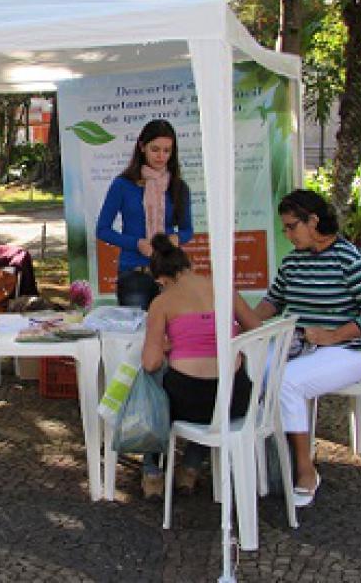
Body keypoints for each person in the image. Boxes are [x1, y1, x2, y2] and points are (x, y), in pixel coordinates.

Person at [254, 190, 361, 507]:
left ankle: (306, 470)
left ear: (313, 221)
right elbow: (273, 301)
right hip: (300, 345)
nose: (288, 235)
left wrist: (334, 335)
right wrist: (241, 322)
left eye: (292, 227)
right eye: (285, 228)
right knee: (253, 370)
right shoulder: (293, 261)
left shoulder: (349, 259)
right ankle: (268, 462)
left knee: (287, 382)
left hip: (347, 351)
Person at [140, 234, 261, 498]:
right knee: (215, 403)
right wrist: (225, 337)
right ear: (190, 265)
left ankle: (152, 471)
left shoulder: (162, 302)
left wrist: (169, 346)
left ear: (161, 280)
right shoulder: (224, 289)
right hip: (236, 399)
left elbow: (150, 362)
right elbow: (256, 328)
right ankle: (190, 469)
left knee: (152, 387)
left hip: (189, 400)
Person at [96, 119, 193, 310]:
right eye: (155, 149)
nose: (161, 156)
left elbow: (187, 230)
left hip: (170, 273)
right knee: (136, 327)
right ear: (142, 147)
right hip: (134, 273)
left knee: (173, 326)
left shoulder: (179, 187)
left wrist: (176, 238)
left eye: (167, 151)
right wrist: (137, 243)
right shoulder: (122, 185)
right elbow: (103, 230)